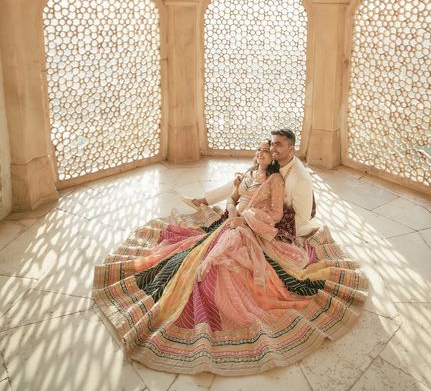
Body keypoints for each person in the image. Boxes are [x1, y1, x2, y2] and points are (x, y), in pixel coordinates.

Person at [93, 140, 368, 376]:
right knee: (187, 253)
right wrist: (233, 212)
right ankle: (201, 268)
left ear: (274, 158)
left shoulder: (275, 180)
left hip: (253, 227)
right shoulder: (248, 174)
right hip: (235, 221)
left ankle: (211, 268)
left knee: (224, 256)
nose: (261, 153)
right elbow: (231, 200)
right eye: (259, 150)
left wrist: (245, 219)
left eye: (266, 151)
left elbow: (274, 214)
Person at [183, 128, 315, 235]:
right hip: (255, 207)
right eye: (273, 144)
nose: (273, 149)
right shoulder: (278, 160)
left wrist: (262, 225)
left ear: (291, 149)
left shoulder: (300, 180)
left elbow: (303, 218)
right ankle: (205, 200)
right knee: (244, 180)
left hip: (280, 216)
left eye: (278, 145)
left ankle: (208, 201)